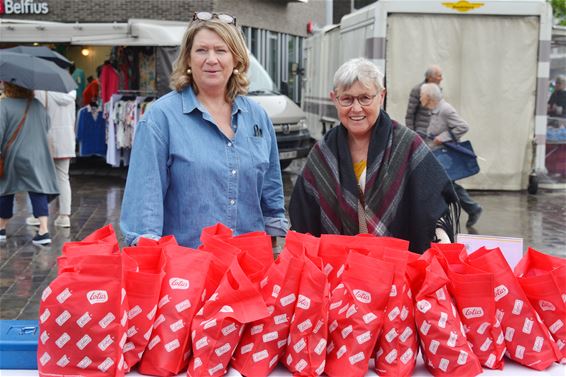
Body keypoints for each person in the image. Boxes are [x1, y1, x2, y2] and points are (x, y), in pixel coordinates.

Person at [120, 11, 288, 248]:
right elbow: (145, 205)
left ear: (236, 59)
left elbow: (271, 193)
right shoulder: (161, 118)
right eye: (201, 50)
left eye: (221, 50)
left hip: (249, 267)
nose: (211, 59)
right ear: (188, 58)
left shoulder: (258, 116)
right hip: (188, 270)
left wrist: (273, 249)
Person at [289, 58, 459, 253]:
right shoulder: (322, 153)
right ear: (334, 99)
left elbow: (433, 208)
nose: (356, 108)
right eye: (346, 99)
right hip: (339, 273)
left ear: (381, 96)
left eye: (365, 98)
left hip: (400, 271)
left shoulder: (406, 144)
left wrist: (444, 249)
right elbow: (303, 220)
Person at [0, 82, 59, 245]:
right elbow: (46, 126)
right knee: (38, 189)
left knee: (5, 188)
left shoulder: (3, 105)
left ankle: (1, 228)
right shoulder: (37, 105)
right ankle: (44, 230)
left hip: (12, 155)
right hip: (37, 155)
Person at [420, 82, 482, 228]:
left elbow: (463, 126)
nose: (420, 98)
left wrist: (443, 137)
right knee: (447, 184)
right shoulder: (435, 109)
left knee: (445, 184)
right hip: (437, 155)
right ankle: (470, 209)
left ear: (429, 97)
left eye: (422, 95)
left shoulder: (445, 109)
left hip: (445, 157)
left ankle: (467, 210)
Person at [26, 90, 77, 228]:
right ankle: (64, 216)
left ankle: (38, 215)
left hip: (45, 139)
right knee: (63, 178)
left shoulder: (41, 91)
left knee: (39, 179)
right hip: (66, 139)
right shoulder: (71, 93)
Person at [405, 65, 443, 138]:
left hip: (434, 135)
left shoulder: (439, 90)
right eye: (439, 76)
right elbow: (410, 115)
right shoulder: (417, 90)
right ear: (430, 77)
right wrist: (411, 134)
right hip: (421, 134)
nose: (441, 78)